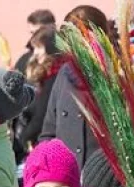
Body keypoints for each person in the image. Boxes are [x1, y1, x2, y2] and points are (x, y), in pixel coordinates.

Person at [37, 5, 111, 170]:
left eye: (84, 38)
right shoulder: (65, 74)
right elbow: (48, 132)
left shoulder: (116, 75)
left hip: (103, 180)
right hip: (68, 178)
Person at [19, 26, 61, 152]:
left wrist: (25, 137)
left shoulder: (53, 77)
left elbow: (42, 114)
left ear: (50, 48)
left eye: (39, 47)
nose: (35, 53)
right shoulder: (48, 75)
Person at [15, 8, 56, 74]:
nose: (34, 37)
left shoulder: (65, 61)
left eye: (38, 32)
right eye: (32, 33)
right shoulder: (25, 60)